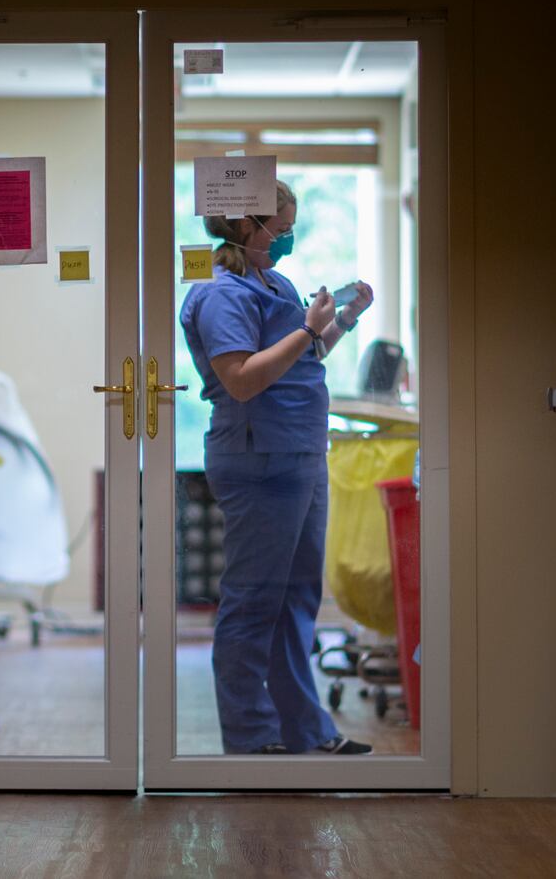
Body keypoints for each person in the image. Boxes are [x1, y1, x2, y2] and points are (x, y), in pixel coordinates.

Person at [179, 179, 375, 755]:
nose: (288, 234)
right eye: (281, 225)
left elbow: (301, 357)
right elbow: (241, 379)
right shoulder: (220, 295)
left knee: (296, 600)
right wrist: (310, 328)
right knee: (254, 600)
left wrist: (341, 322)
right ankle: (251, 739)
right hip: (259, 458)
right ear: (247, 227)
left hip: (299, 455)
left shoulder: (273, 282)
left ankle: (305, 733)